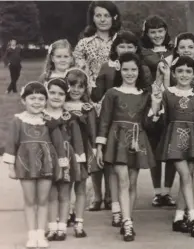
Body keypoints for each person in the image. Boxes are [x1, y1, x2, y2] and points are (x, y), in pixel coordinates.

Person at [95, 53, 157, 242]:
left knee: (132, 182)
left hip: (136, 139)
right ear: (120, 70)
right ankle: (128, 222)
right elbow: (104, 121)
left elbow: (148, 123)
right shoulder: (112, 93)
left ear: (139, 71)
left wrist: (155, 106)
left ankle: (127, 216)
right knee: (122, 180)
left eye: (133, 70)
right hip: (117, 138)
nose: (130, 73)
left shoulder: (145, 94)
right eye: (126, 69)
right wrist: (99, 146)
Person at [151, 56, 194, 238]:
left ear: (193, 74)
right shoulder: (167, 93)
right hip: (175, 138)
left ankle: (178, 217)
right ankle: (193, 216)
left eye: (188, 71)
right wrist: (155, 102)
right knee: (185, 175)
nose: (184, 75)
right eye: (180, 71)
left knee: (188, 177)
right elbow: (160, 118)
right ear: (174, 73)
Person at [3, 82, 68, 248]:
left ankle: (41, 234)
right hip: (25, 164)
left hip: (47, 164)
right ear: (24, 101)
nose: (37, 102)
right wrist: (11, 167)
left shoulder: (50, 121)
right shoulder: (18, 120)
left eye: (41, 98)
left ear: (46, 101)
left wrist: (61, 165)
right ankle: (32, 235)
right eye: (32, 98)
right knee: (30, 200)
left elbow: (59, 144)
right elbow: (11, 144)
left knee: (43, 200)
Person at [74, 0, 121, 212]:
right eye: (98, 15)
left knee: (112, 146)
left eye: (106, 15)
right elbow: (77, 72)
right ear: (93, 18)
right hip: (93, 100)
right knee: (94, 146)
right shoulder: (85, 43)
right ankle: (97, 195)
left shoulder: (122, 40)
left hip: (116, 99)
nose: (102, 20)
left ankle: (112, 194)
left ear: (114, 18)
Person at [140, 15, 177, 208]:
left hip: (172, 100)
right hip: (152, 101)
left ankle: (167, 191)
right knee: (154, 147)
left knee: (171, 148)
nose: (157, 35)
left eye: (160, 31)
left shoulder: (174, 50)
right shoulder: (144, 52)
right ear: (146, 33)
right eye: (152, 32)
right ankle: (156, 191)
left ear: (165, 31)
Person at [44, 78, 87, 242]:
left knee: (64, 194)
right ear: (46, 94)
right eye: (52, 93)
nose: (56, 96)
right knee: (51, 194)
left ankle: (62, 227)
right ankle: (52, 226)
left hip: (66, 159)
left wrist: (79, 158)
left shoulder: (69, 117)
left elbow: (77, 139)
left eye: (61, 94)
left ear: (65, 96)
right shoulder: (41, 116)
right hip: (48, 158)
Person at [63, 68, 98, 238]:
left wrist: (95, 150)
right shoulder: (60, 104)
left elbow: (92, 132)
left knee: (81, 186)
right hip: (65, 150)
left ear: (86, 88)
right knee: (65, 185)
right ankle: (64, 216)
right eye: (72, 85)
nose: (76, 90)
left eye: (80, 86)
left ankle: (79, 221)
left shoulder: (87, 107)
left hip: (82, 151)